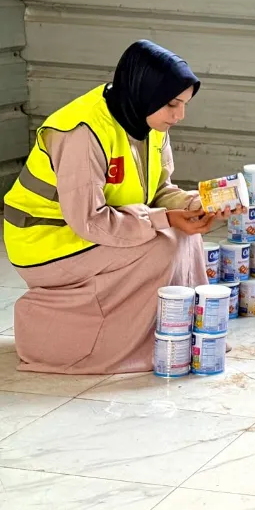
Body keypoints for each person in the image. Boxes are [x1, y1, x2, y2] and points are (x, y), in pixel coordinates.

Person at [3, 40, 229, 374]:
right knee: (159, 246)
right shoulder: (82, 133)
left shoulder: (146, 119)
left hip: (87, 232)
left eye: (184, 105)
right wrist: (162, 219)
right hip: (45, 242)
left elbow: (159, 190)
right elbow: (89, 221)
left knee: (185, 235)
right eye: (172, 104)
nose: (179, 116)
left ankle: (177, 337)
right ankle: (122, 347)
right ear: (146, 92)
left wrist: (198, 205)